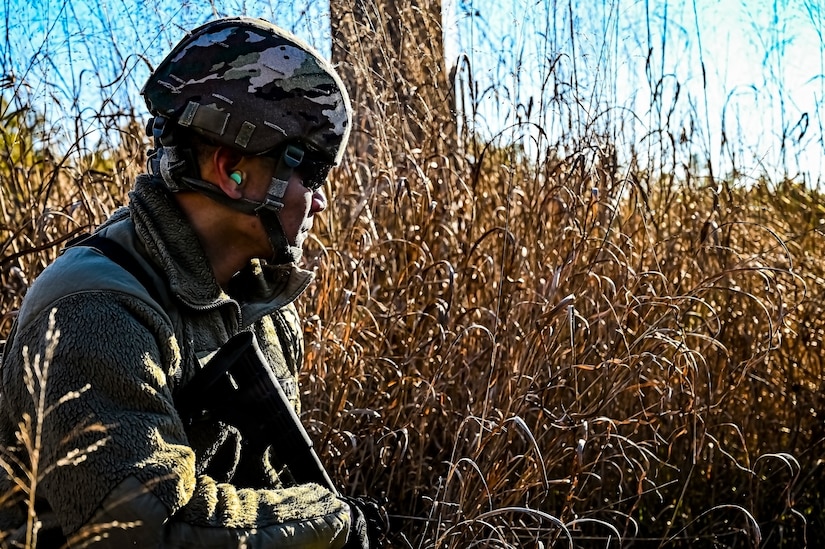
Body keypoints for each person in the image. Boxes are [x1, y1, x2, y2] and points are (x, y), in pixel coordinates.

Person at [0, 16, 384, 548]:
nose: (319, 200)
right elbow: (151, 529)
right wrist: (324, 521)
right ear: (232, 169)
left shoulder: (261, 303)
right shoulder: (92, 312)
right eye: (310, 172)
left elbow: (263, 484)